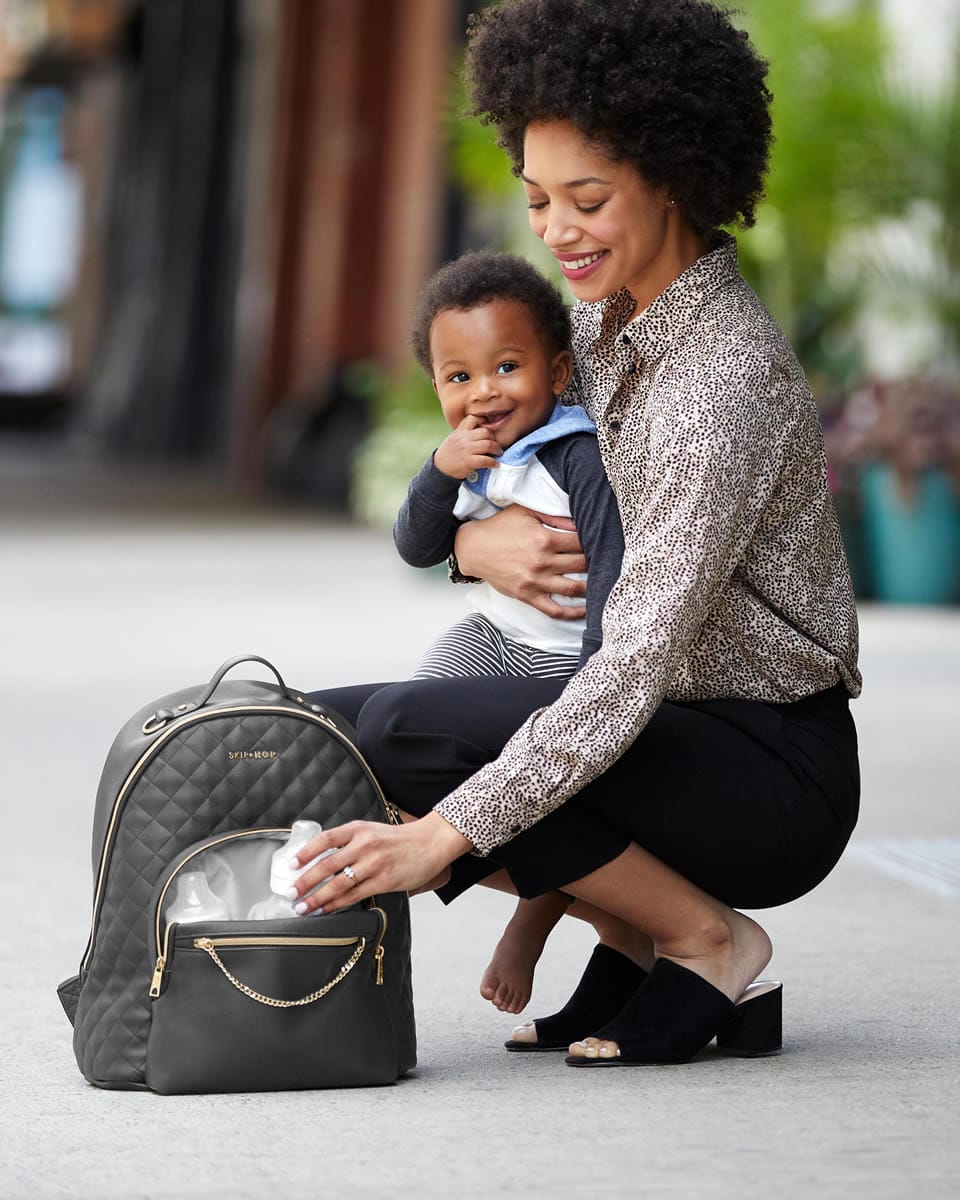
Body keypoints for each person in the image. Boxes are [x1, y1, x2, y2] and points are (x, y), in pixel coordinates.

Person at [290, 0, 862, 1068]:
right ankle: (638, 937)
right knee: (323, 725)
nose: (556, 232)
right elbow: (500, 467)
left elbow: (632, 659)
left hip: (767, 764)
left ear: (676, 175)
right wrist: (471, 546)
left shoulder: (718, 382)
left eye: (586, 199)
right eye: (539, 198)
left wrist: (444, 837)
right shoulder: (600, 323)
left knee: (417, 732)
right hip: (664, 726)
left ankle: (706, 938)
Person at [396, 249, 625, 1011]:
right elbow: (416, 546)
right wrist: (439, 469)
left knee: (541, 787)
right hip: (491, 635)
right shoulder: (471, 460)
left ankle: (538, 910)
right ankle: (442, 848)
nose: (483, 393)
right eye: (458, 378)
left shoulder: (574, 453)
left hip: (560, 661)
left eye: (505, 367)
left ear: (557, 374)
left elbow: (617, 567)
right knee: (406, 743)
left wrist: (595, 677)